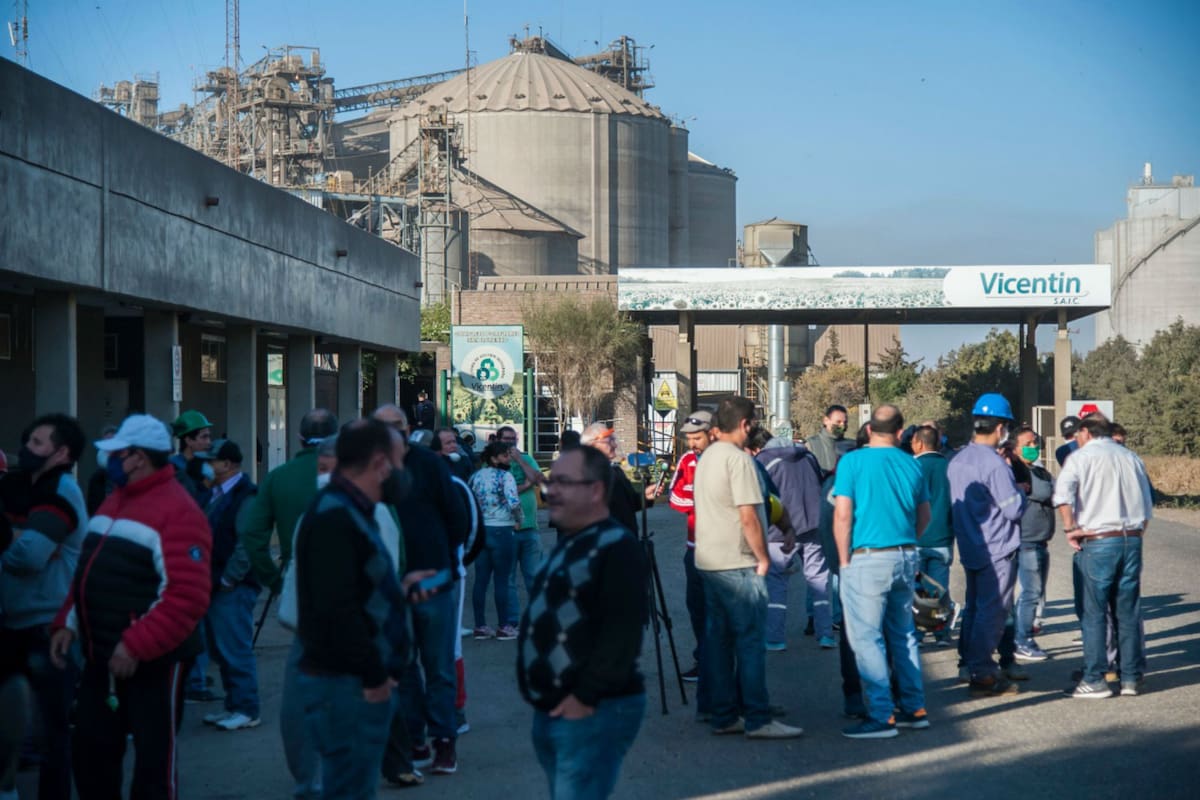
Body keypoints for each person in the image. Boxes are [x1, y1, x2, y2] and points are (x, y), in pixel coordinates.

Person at [49, 414, 211, 800]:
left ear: (138, 458)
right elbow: (90, 571)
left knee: (153, 767)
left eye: (117, 454)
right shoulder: (113, 502)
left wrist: (136, 645)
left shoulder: (179, 511)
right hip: (100, 659)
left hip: (155, 663)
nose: (110, 461)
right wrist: (66, 621)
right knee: (91, 756)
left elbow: (187, 597)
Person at [293, 419, 431, 799]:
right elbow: (336, 610)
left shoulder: (354, 509)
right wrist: (374, 678)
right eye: (400, 461)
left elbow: (353, 590)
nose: (403, 472)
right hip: (348, 688)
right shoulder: (335, 515)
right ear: (380, 463)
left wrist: (397, 592)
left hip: (354, 683)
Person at [517, 445, 648, 799]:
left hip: (593, 711)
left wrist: (584, 698)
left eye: (563, 482)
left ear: (595, 490)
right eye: (550, 481)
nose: (550, 490)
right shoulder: (571, 541)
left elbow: (622, 635)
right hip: (556, 710)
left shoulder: (616, 547)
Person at [237, 408, 336, 800]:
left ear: (297, 439)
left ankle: (308, 779)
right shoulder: (354, 480)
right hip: (350, 593)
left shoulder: (278, 478)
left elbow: (252, 536)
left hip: (299, 592)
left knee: (302, 689)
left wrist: (274, 581)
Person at [693, 396, 803, 740]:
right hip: (739, 564)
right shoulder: (739, 461)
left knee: (720, 643)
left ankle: (724, 715)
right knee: (751, 644)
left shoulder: (707, 456)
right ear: (745, 424)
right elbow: (748, 516)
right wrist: (763, 558)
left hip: (709, 563)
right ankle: (757, 717)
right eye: (753, 422)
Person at [373, 405, 468, 777]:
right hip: (391, 584)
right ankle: (415, 740)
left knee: (439, 665)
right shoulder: (371, 467)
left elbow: (457, 517)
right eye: (382, 427)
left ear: (408, 428)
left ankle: (445, 742)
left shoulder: (430, 464)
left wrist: (442, 560)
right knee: (404, 668)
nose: (390, 432)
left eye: (397, 426)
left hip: (433, 581)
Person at [0, 413, 88, 800]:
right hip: (13, 623)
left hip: (49, 626)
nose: (26, 449)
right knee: (11, 726)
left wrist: (11, 537)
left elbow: (28, 557)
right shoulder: (22, 488)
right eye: (27, 440)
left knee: (53, 735)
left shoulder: (62, 494)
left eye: (37, 443)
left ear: (61, 452)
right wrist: (16, 536)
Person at [832, 404, 931, 739]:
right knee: (903, 634)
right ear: (902, 433)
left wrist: (844, 560)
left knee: (866, 638)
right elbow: (925, 515)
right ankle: (915, 708)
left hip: (867, 557)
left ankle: (880, 715)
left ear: (869, 429)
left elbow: (843, 515)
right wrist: (909, 542)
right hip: (905, 555)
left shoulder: (852, 462)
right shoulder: (911, 464)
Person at [1054, 415, 1153, 699]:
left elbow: (1063, 495)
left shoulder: (1082, 457)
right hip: (1131, 539)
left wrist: (1071, 528)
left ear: (1085, 432)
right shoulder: (1131, 457)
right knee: (1128, 610)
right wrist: (1134, 535)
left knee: (1094, 611)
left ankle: (1095, 677)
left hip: (1097, 540)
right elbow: (1147, 508)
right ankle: (1131, 677)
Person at [947, 393, 1028, 698]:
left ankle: (969, 663)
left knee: (974, 609)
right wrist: (1020, 492)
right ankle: (983, 672)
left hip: (971, 547)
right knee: (992, 612)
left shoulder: (958, 460)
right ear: (1000, 428)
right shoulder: (995, 465)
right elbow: (1013, 510)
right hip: (997, 548)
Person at [196, 440, 262, 732]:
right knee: (222, 649)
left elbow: (246, 543)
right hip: (215, 582)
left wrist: (228, 578)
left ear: (228, 464)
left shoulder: (245, 496)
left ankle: (246, 708)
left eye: (213, 460)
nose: (207, 464)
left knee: (235, 647)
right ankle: (233, 706)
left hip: (231, 585)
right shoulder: (215, 493)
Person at [748, 426, 833, 650]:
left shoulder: (762, 460)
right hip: (814, 526)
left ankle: (775, 639)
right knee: (819, 582)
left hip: (780, 530)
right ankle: (825, 634)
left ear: (756, 448)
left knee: (776, 585)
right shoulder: (808, 456)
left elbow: (761, 495)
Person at [667, 410, 715, 681]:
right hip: (694, 548)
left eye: (697, 437)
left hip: (723, 552)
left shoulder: (727, 457)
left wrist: (695, 496)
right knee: (696, 608)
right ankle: (702, 659)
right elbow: (675, 496)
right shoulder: (686, 460)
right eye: (689, 439)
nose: (693, 443)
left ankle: (720, 665)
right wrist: (701, 500)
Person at [468, 441, 523, 640]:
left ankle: (480, 625)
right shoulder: (505, 477)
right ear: (494, 458)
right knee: (502, 579)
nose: (509, 459)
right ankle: (504, 625)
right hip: (502, 529)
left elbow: (470, 500)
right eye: (505, 455)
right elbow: (514, 502)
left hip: (482, 530)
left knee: (481, 580)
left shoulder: (476, 476)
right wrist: (519, 520)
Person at [910, 425, 957, 646]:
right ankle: (941, 633)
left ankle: (917, 633)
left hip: (916, 539)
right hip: (943, 538)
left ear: (919, 443)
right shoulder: (949, 467)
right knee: (940, 589)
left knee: (916, 590)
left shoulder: (912, 466)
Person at [1012, 427, 1055, 662]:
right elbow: (1044, 492)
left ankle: (1023, 635)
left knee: (1036, 592)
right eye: (1028, 443)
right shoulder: (1015, 471)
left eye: (1036, 443)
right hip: (1026, 541)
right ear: (1016, 447)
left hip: (1041, 540)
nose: (1033, 447)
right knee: (1031, 592)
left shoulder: (1040, 471)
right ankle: (1023, 639)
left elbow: (1056, 491)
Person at [497, 426, 546, 632]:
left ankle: (539, 618)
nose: (510, 443)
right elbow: (498, 490)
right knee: (508, 579)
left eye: (513, 439)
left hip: (529, 528)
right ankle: (512, 621)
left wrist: (519, 460)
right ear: (498, 440)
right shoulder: (493, 461)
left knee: (533, 575)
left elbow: (538, 479)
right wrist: (524, 487)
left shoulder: (525, 458)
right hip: (505, 528)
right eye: (506, 440)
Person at [579, 423, 659, 534]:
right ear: (593, 445)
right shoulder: (585, 476)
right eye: (609, 440)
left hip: (626, 541)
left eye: (613, 439)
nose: (615, 445)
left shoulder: (615, 471)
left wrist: (645, 496)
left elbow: (628, 505)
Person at [85, 424, 119, 515]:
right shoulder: (96, 479)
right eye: (105, 444)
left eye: (111, 443)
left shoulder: (129, 475)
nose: (108, 450)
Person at [807, 404, 849, 476]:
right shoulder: (811, 445)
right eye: (838, 422)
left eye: (845, 422)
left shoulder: (850, 446)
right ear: (826, 421)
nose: (842, 425)